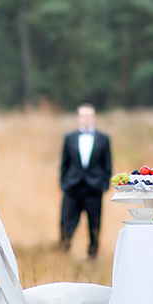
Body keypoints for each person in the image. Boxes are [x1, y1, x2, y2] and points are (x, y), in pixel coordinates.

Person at [59, 103, 112, 259]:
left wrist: (104, 184)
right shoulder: (69, 138)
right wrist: (64, 184)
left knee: (94, 223)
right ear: (78, 118)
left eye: (89, 115)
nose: (86, 119)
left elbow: (107, 163)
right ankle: (64, 249)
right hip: (72, 187)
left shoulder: (104, 139)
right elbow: (64, 163)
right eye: (83, 115)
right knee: (67, 221)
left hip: (94, 187)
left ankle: (93, 253)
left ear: (93, 118)